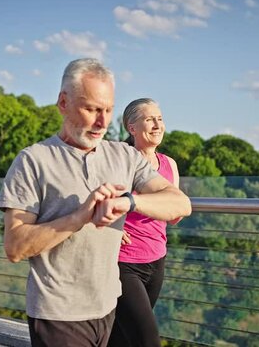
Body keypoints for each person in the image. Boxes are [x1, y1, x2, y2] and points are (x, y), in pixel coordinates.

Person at [0, 58, 191, 347]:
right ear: (63, 102)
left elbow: (180, 204)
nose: (102, 122)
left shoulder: (125, 157)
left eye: (108, 110)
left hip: (108, 307)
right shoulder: (33, 160)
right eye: (92, 109)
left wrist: (128, 202)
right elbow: (15, 247)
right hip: (58, 314)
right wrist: (80, 216)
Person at [107, 98, 181, 347]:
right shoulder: (118, 160)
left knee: (121, 337)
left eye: (159, 119)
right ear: (132, 127)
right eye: (149, 119)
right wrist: (110, 227)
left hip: (157, 258)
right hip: (123, 262)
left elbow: (175, 211)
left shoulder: (169, 164)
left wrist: (172, 207)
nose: (157, 124)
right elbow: (91, 200)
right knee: (147, 340)